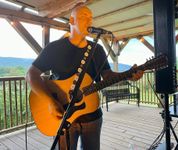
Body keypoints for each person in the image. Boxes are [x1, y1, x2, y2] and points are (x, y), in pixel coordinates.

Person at [26, 3, 143, 150]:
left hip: (92, 114)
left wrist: (128, 75)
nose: (88, 20)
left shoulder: (97, 50)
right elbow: (31, 74)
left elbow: (107, 75)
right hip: (63, 116)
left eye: (90, 17)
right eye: (83, 16)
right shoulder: (55, 48)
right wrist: (49, 101)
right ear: (72, 21)